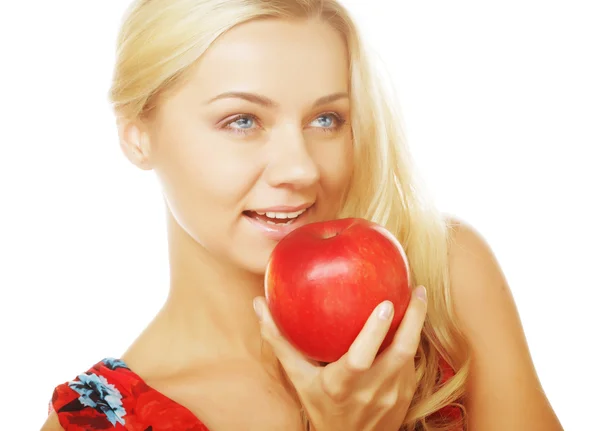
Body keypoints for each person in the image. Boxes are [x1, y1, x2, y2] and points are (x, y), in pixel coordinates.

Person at [42, 0, 563, 430]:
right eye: (242, 119)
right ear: (137, 134)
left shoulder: (444, 285)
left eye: (325, 118)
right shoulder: (95, 420)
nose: (301, 168)